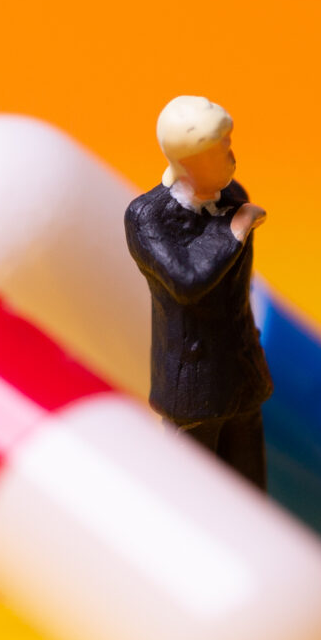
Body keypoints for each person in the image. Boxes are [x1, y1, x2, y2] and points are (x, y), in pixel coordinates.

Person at [124, 96, 274, 488]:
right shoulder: (146, 216)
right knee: (192, 497)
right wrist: (234, 231)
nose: (232, 155)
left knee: (251, 497)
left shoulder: (233, 193)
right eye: (221, 149)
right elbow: (187, 281)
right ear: (190, 161)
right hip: (192, 392)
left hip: (243, 376)